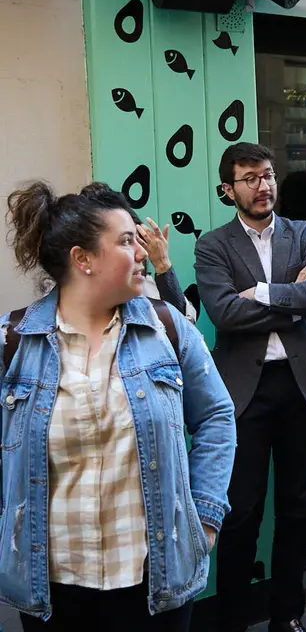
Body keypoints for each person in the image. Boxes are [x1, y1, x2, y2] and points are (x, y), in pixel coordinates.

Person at [2, 182, 236, 631]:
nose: (143, 251)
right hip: (51, 585)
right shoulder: (13, 344)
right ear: (83, 259)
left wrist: (204, 519)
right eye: (127, 241)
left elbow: (215, 417)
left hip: (156, 580)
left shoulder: (168, 329)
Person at [196, 143, 306, 632]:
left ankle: (288, 617)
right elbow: (223, 313)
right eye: (250, 178)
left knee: (298, 509)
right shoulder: (213, 245)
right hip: (246, 392)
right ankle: (234, 619)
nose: (263, 186)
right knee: (240, 513)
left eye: (268, 175)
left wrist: (260, 293)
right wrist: (292, 297)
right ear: (228, 189)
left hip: (303, 386)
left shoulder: (305, 233)